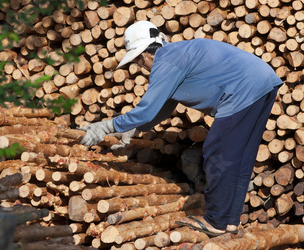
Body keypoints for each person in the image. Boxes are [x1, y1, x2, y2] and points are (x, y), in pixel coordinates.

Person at [79, 20, 283, 236]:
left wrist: (106, 127)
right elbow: (164, 107)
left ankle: (216, 221)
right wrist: (134, 129)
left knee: (217, 152)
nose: (141, 67)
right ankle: (228, 221)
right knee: (238, 158)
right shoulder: (176, 55)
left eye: (138, 62)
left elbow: (146, 109)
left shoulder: (165, 61)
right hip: (262, 83)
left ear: (144, 54)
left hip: (243, 90)